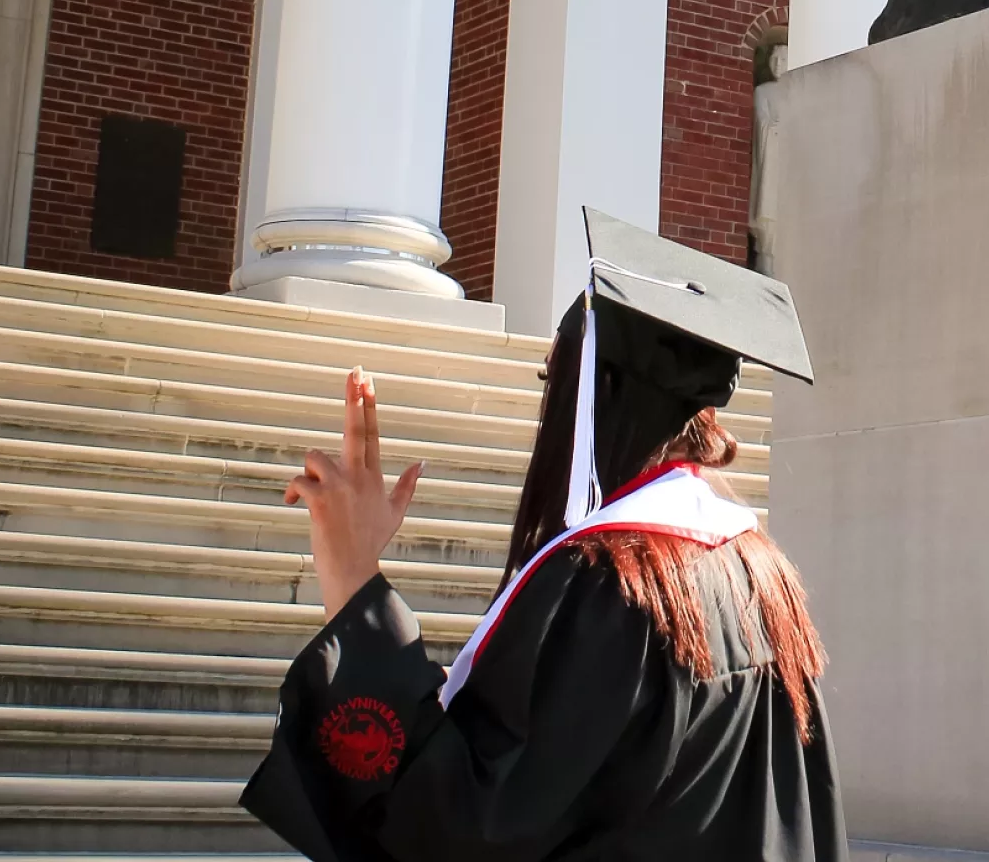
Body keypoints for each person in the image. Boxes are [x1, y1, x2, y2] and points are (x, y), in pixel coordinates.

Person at [240, 208, 847, 861]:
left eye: (553, 378)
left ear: (597, 393)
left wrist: (356, 587)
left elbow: (467, 826)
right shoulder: (755, 567)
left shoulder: (611, 587)